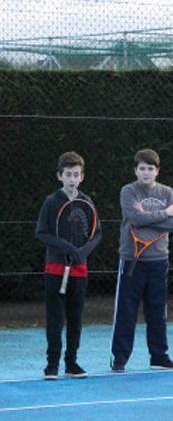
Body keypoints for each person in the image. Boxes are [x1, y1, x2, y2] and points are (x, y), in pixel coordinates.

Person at [110, 149, 173, 372]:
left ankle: (159, 356)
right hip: (132, 260)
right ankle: (120, 357)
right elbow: (136, 218)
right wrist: (164, 213)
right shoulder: (128, 191)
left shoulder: (167, 192)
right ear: (136, 170)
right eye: (142, 168)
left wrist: (152, 218)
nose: (146, 172)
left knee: (158, 311)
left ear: (157, 171)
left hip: (159, 260)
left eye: (150, 168)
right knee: (126, 310)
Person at [36, 151, 102, 380]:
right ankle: (51, 365)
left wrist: (81, 252)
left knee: (76, 317)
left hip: (79, 269)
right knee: (55, 317)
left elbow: (96, 233)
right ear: (59, 176)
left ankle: (71, 363)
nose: (72, 179)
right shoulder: (51, 201)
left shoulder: (86, 201)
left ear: (82, 176)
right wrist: (67, 248)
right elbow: (42, 232)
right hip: (55, 267)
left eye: (76, 174)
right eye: (68, 174)